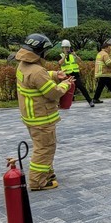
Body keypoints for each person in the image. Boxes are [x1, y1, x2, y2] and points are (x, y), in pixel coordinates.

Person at [16, 34, 73, 191]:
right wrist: (65, 85)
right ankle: (37, 181)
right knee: (45, 148)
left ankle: (47, 172)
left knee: (42, 145)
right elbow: (53, 93)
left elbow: (36, 78)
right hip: (41, 117)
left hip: (31, 116)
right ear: (40, 52)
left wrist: (54, 74)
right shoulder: (36, 71)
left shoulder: (23, 66)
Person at [59, 40, 94, 107]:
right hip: (67, 75)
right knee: (65, 89)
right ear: (62, 48)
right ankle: (63, 103)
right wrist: (65, 56)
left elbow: (80, 61)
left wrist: (75, 55)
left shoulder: (73, 55)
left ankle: (90, 101)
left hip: (75, 74)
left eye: (68, 48)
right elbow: (60, 63)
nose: (67, 49)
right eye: (65, 48)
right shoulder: (61, 55)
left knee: (81, 87)